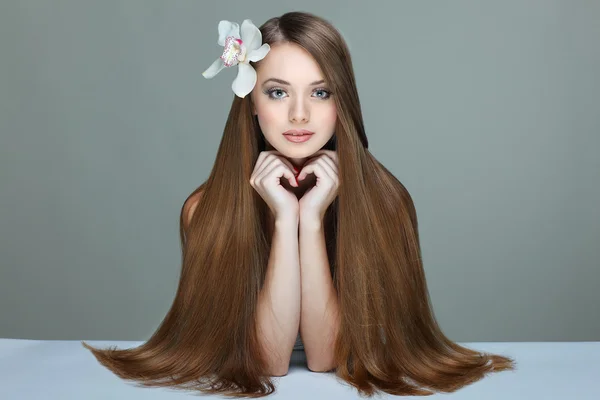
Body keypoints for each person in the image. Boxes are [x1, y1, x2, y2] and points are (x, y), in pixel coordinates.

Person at [82, 11, 516, 398]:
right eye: (277, 93)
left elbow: (325, 357)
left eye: (321, 93)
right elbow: (270, 363)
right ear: (250, 103)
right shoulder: (205, 210)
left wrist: (310, 220)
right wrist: (285, 215)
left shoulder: (388, 203)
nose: (299, 115)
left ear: (342, 102)